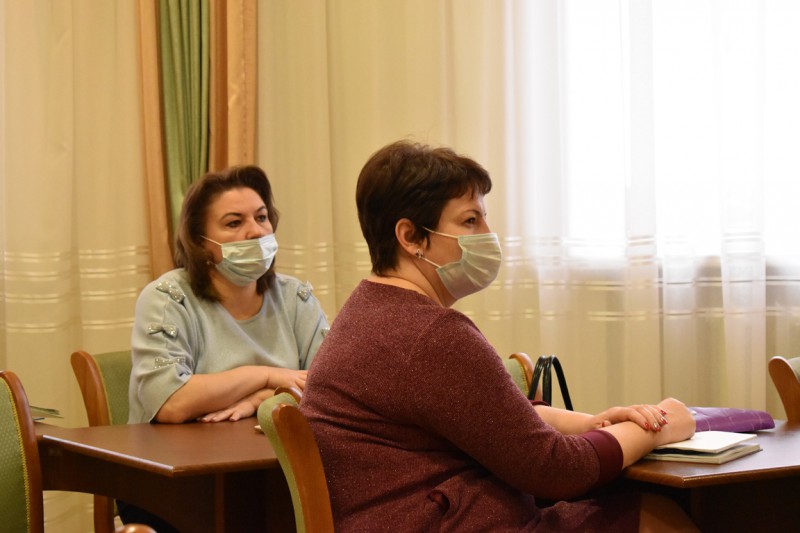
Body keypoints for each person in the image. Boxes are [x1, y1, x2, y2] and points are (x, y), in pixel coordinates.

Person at [301, 140, 699, 532]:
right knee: (656, 515)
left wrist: (591, 423)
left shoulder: (368, 311)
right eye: (470, 221)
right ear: (411, 237)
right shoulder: (430, 335)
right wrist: (658, 427)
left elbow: (492, 419)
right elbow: (556, 469)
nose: (488, 235)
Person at [122, 165, 329, 530]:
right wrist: (265, 375)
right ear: (201, 241)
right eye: (234, 223)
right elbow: (170, 402)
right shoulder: (167, 297)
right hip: (176, 486)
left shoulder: (295, 297)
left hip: (275, 476)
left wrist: (260, 398)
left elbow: (332, 390)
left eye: (261, 217)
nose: (256, 231)